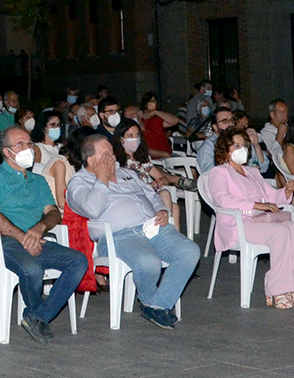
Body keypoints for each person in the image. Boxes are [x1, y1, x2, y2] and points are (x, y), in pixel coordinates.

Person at [67, 132, 199, 322]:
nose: (113, 157)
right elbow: (92, 210)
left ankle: (156, 304)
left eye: (112, 152)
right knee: (148, 262)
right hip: (119, 237)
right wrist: (102, 178)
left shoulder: (127, 173)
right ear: (91, 160)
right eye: (106, 155)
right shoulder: (79, 183)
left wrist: (161, 209)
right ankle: (154, 303)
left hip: (152, 227)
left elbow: (152, 196)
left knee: (189, 251)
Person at [0, 126, 92, 340]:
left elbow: (54, 213)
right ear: (6, 151)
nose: (28, 147)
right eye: (20, 144)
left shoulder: (37, 181)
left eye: (29, 143)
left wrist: (38, 228)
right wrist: (23, 237)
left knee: (78, 261)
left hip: (35, 238)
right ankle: (39, 316)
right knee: (32, 268)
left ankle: (37, 316)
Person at [200, 130, 294, 308]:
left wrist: (286, 191)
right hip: (239, 224)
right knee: (280, 232)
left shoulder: (252, 172)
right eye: (237, 145)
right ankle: (277, 288)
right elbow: (223, 200)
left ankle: (293, 285)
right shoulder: (219, 173)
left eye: (244, 145)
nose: (242, 149)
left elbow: (271, 195)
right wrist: (256, 205)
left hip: (262, 220)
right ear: (225, 149)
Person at [195, 104, 235, 174]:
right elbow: (210, 173)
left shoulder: (239, 141)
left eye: (231, 121)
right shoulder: (209, 146)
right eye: (224, 121)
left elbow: (256, 165)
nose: (230, 125)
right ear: (215, 127)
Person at [137, 94, 178, 158]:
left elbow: (175, 120)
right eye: (151, 101)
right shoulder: (140, 119)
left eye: (155, 101)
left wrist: (156, 112)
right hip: (157, 157)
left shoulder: (156, 118)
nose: (154, 103)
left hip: (168, 154)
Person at [258, 100, 290, 164]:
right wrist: (280, 134)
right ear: (272, 115)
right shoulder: (264, 134)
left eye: (286, 113)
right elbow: (272, 155)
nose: (285, 117)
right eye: (282, 113)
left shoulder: (290, 128)